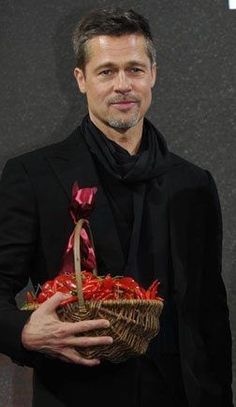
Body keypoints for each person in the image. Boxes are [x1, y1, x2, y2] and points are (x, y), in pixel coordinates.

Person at [0, 7, 233, 407]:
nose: (123, 85)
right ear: (80, 79)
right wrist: (23, 331)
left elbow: (209, 317)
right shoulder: (32, 175)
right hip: (76, 395)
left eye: (135, 70)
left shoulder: (193, 183)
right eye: (106, 71)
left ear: (153, 75)